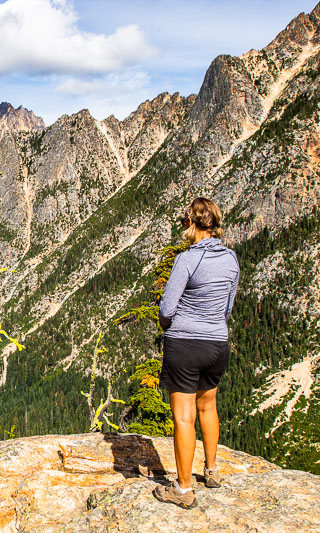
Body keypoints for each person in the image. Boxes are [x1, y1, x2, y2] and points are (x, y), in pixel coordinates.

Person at [152, 197, 240, 509]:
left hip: (186, 344)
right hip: (217, 343)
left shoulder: (188, 259)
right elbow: (227, 307)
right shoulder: (231, 259)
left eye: (184, 223)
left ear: (192, 223)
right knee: (208, 407)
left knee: (184, 417)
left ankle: (183, 488)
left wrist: (169, 327)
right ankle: (212, 471)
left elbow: (166, 308)